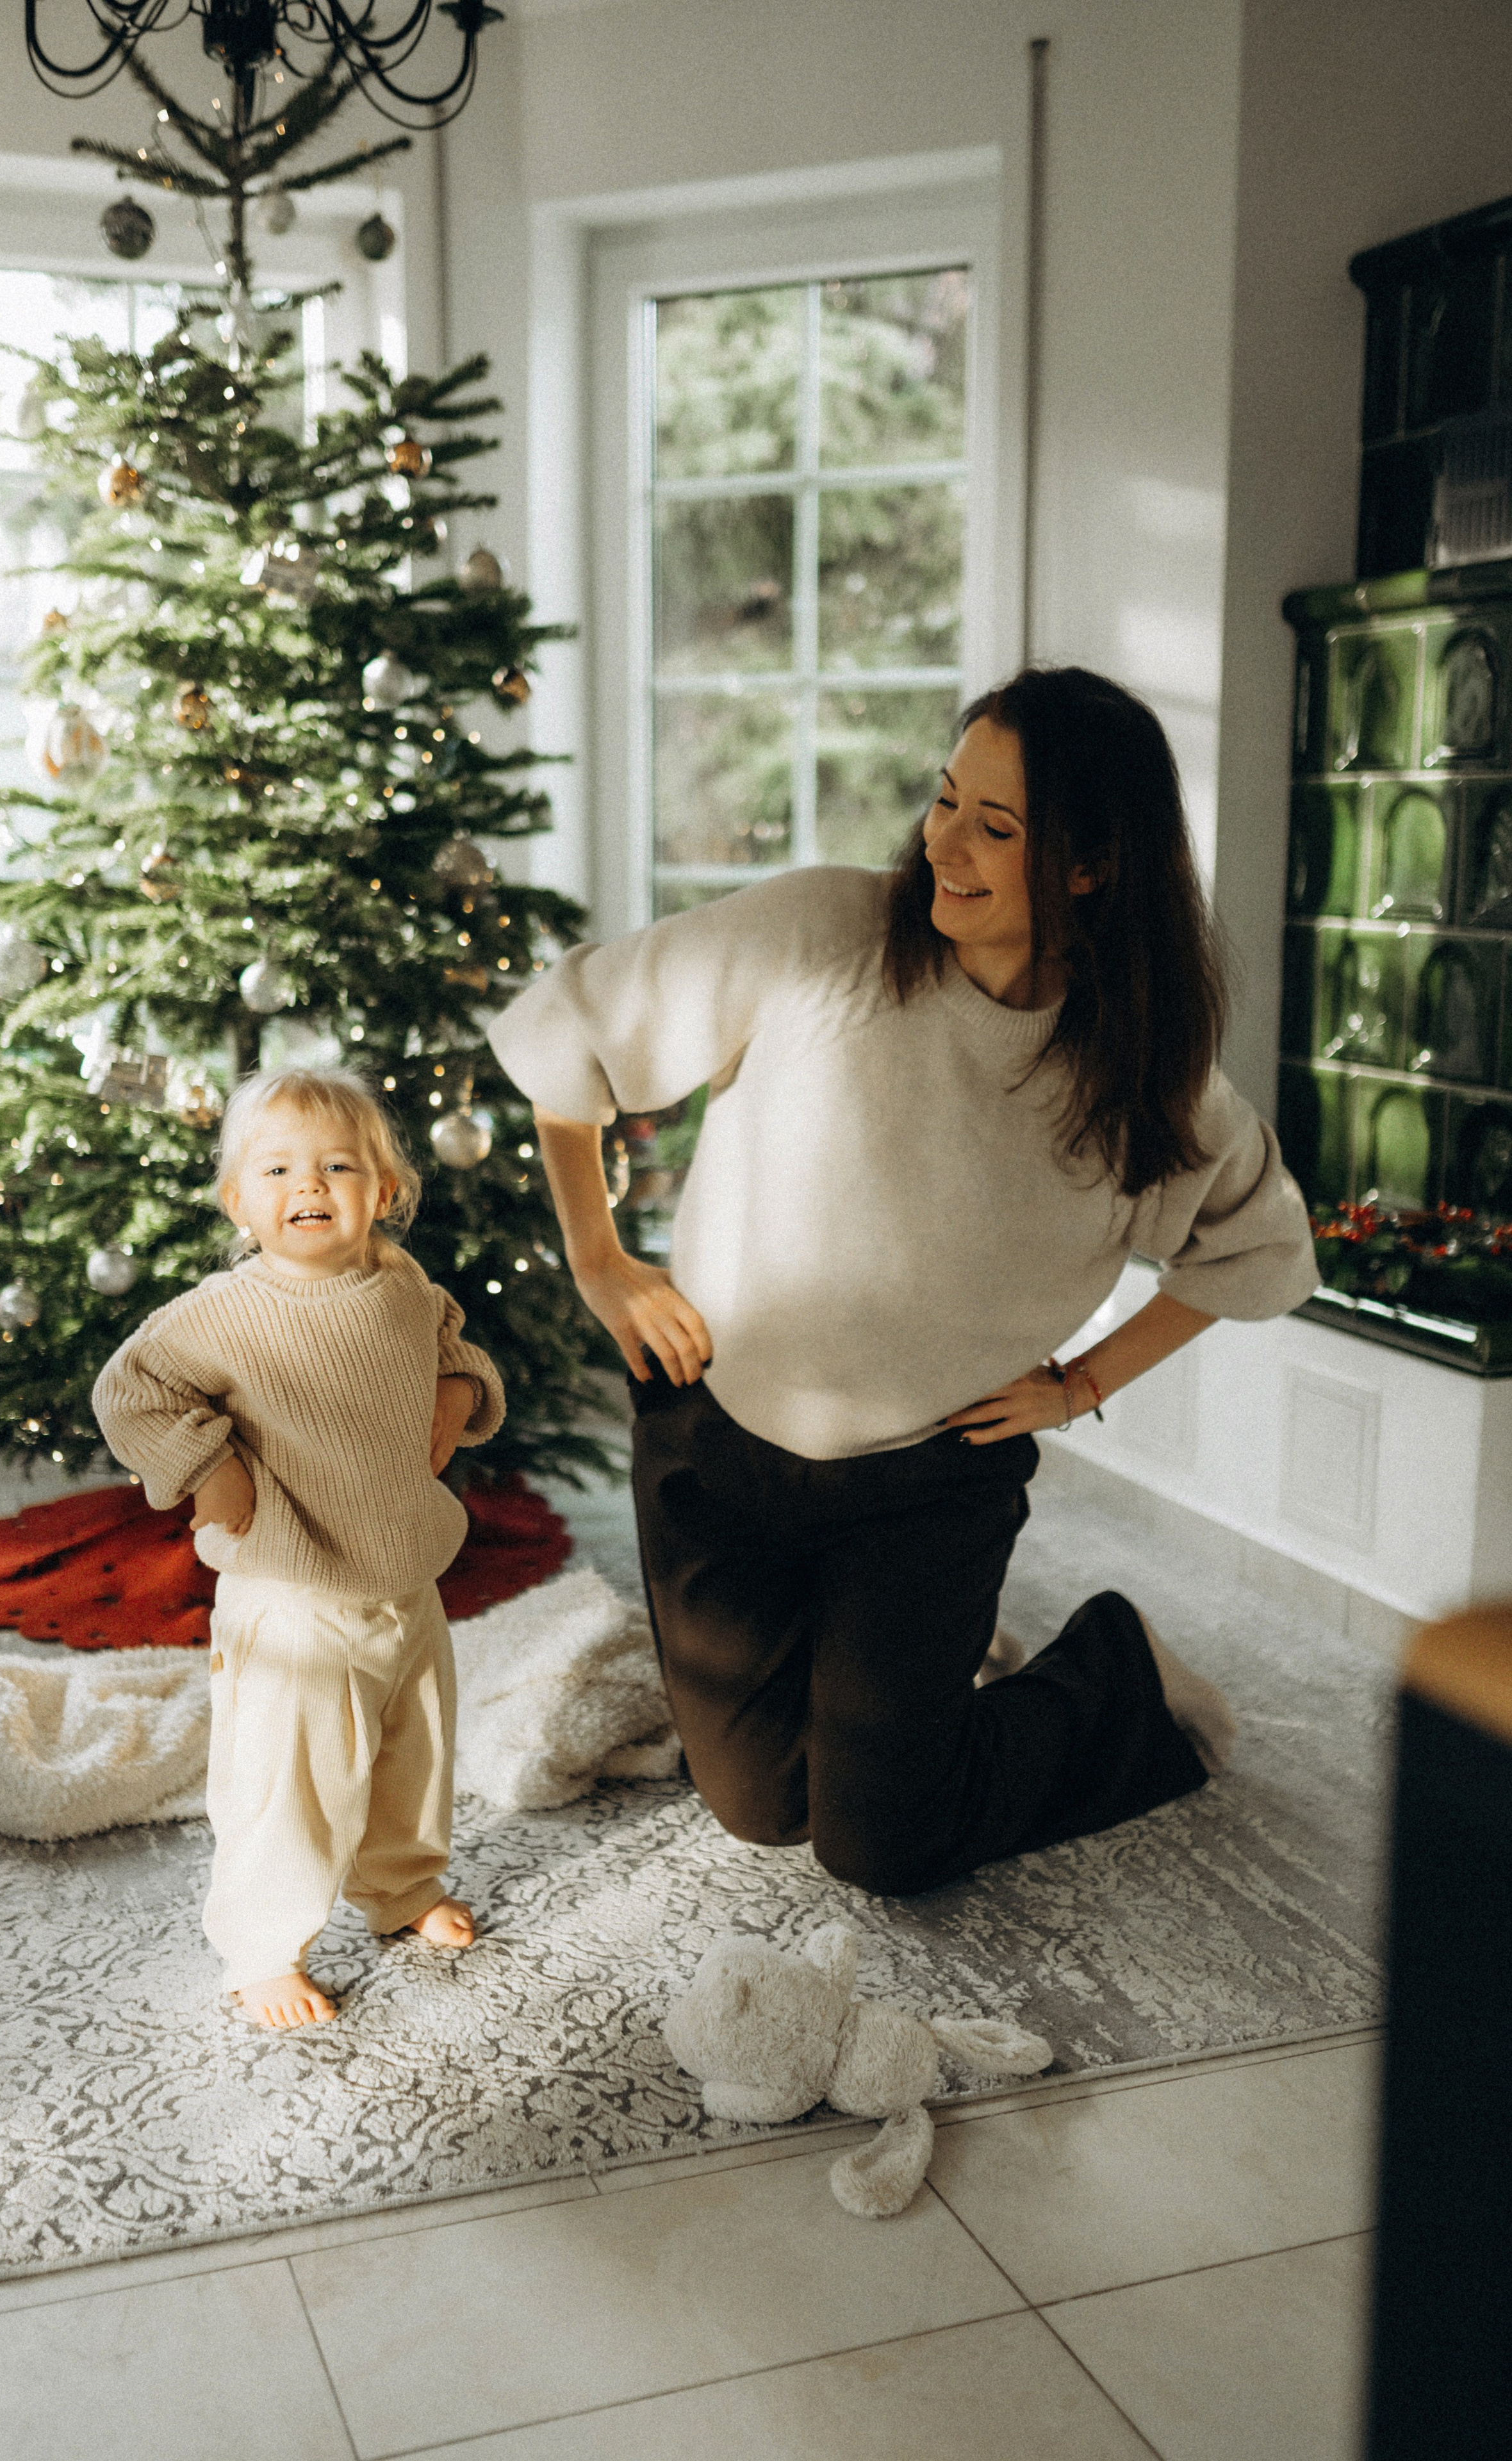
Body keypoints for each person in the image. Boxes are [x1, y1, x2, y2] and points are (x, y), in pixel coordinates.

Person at [488, 666, 1317, 1898]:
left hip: (930, 1480)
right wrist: (601, 1262)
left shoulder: (1142, 1071)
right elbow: (574, 1035)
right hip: (718, 1441)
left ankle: (1119, 1676)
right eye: (944, 800)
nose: (946, 844)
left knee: (880, 1843)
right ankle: (894, 1680)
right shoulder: (821, 931)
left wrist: (1083, 1380)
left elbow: (1257, 1246)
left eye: (998, 827)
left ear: (1090, 867)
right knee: (764, 1806)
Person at [94, 1065, 503, 2027]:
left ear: (385, 1192)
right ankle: (264, 1946)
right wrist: (206, 1465)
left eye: (336, 1167)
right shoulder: (222, 1313)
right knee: (293, 1783)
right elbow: (129, 1391)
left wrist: (459, 1390)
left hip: (406, 1579)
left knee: (415, 1757)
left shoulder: (401, 1281)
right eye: (276, 1170)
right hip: (293, 1595)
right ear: (239, 1201)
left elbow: (453, 1340)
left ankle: (402, 1888)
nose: (308, 1187)